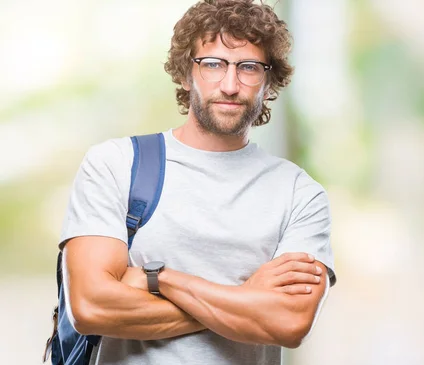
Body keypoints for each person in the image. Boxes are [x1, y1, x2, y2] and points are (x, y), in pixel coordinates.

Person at [59, 0, 337, 364]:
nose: (231, 84)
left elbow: (289, 322)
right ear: (185, 73)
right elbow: (91, 307)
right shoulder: (116, 164)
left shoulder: (300, 194)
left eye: (249, 67)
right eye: (212, 64)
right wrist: (247, 299)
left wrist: (159, 279)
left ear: (269, 81)